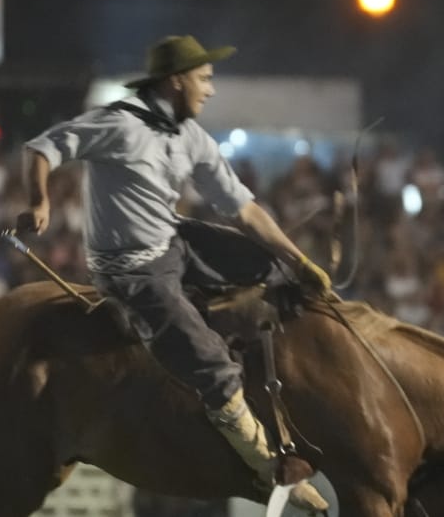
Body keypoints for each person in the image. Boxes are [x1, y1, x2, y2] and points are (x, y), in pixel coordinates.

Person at [18, 35, 332, 513]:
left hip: (174, 242)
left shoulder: (191, 137)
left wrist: (296, 260)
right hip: (131, 271)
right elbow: (41, 149)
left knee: (268, 265)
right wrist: (39, 200)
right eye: (204, 79)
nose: (210, 89)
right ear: (175, 81)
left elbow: (243, 209)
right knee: (211, 364)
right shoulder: (116, 124)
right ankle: (270, 472)